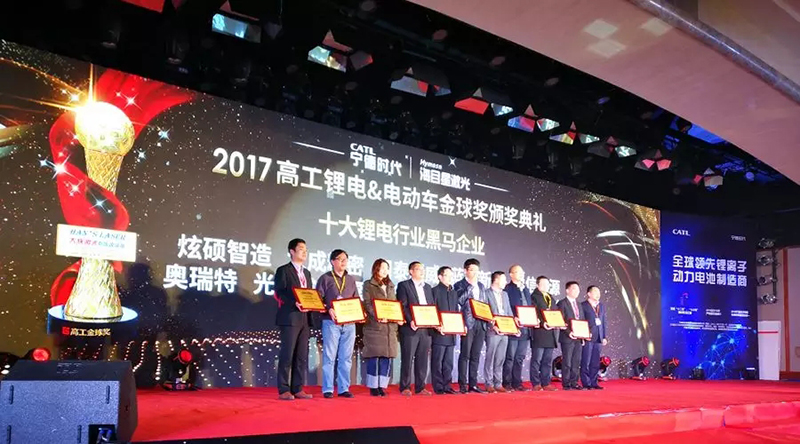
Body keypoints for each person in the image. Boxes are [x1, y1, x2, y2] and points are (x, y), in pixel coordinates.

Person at [315, 249, 359, 398]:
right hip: (331, 322)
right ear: (332, 261)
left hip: (349, 324)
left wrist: (359, 312)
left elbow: (356, 299)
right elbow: (317, 299)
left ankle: (343, 388)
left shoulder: (351, 279)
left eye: (345, 259)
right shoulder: (325, 278)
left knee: (346, 357)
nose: (343, 262)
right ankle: (328, 389)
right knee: (329, 356)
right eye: (340, 259)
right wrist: (328, 309)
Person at [274, 238, 314, 400]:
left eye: (306, 249)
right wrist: (294, 302)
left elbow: (309, 294)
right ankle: (284, 389)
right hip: (290, 317)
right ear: (292, 251)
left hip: (305, 318)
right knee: (287, 354)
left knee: (301, 355)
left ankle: (298, 388)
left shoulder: (307, 273)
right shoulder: (283, 270)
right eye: (301, 249)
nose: (305, 252)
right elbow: (280, 292)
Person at [362, 259, 401, 397]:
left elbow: (394, 305)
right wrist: (378, 315)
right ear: (376, 269)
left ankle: (382, 386)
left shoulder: (390, 285)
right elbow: (367, 304)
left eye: (387, 268)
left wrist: (397, 317)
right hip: (375, 325)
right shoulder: (369, 284)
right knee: (374, 356)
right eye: (382, 268)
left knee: (386, 357)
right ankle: (373, 386)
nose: (385, 270)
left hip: (389, 327)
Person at [396, 261, 434, 396]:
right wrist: (410, 320)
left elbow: (431, 306)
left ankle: (420, 387)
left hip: (426, 328)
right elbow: (403, 305)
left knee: (422, 358)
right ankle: (405, 386)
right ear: (411, 271)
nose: (422, 271)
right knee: (408, 357)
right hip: (411, 328)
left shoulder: (428, 287)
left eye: (423, 269)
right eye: (418, 269)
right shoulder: (404, 285)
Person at [455, 258, 489, 394]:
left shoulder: (481, 286)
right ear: (465, 271)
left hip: (481, 323)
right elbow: (459, 300)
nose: (475, 273)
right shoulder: (459, 285)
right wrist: (469, 287)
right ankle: (463, 384)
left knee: (476, 355)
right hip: (468, 323)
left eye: (477, 270)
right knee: (465, 354)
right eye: (472, 270)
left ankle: (473, 384)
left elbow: (485, 304)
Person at [503, 264, 532, 391]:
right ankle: (506, 382)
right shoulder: (507, 289)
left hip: (525, 328)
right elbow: (506, 307)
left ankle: (517, 382)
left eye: (522, 272)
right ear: (511, 274)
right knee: (510, 356)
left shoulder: (525, 289)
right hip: (513, 327)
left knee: (520, 357)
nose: (522, 274)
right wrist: (514, 318)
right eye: (518, 272)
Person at [431, 266, 459, 395]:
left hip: (451, 332)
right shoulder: (434, 291)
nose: (450, 278)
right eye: (447, 275)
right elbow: (432, 310)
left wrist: (459, 325)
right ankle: (438, 386)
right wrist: (437, 325)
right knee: (437, 361)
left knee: (448, 362)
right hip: (439, 332)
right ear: (440, 277)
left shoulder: (453, 292)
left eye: (451, 276)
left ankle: (447, 385)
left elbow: (456, 311)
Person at [484, 271, 513, 393]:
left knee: (500, 358)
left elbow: (509, 311)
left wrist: (513, 326)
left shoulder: (505, 294)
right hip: (493, 330)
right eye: (503, 279)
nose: (506, 282)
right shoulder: (486, 293)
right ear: (496, 280)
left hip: (505, 330)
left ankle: (498, 383)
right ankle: (489, 383)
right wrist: (492, 325)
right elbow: (484, 312)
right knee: (490, 358)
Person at [530, 275, 558, 391]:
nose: (546, 286)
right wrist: (542, 323)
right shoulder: (534, 297)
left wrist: (558, 322)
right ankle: (536, 383)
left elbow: (556, 313)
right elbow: (533, 313)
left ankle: (546, 382)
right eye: (543, 284)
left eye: (548, 284)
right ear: (537, 285)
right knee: (537, 359)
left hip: (550, 333)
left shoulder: (550, 297)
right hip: (539, 332)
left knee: (547, 360)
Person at [557, 281, 584, 390]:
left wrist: (583, 335)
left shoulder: (579, 304)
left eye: (578, 289)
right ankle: (566, 383)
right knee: (567, 361)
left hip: (578, 337)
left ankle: (574, 382)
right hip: (567, 337)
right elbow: (561, 320)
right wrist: (569, 332)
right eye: (574, 289)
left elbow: (581, 320)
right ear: (567, 290)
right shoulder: (562, 303)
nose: (577, 291)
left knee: (576, 361)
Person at [580, 285, 608, 390]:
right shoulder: (583, 305)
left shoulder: (601, 306)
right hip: (588, 337)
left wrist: (604, 336)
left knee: (595, 362)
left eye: (599, 292)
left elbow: (603, 322)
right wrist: (584, 334)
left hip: (598, 337)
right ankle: (586, 383)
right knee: (586, 361)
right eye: (595, 292)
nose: (598, 294)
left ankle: (594, 382)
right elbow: (581, 321)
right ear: (589, 294)